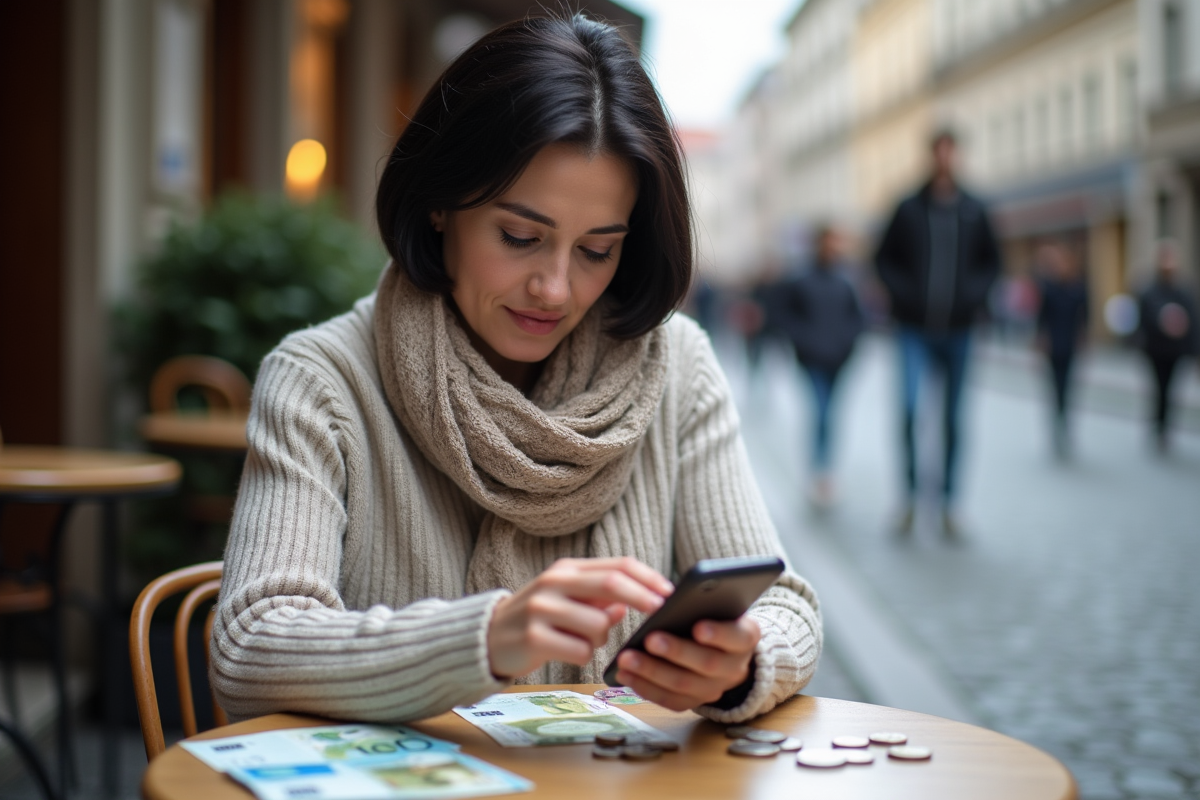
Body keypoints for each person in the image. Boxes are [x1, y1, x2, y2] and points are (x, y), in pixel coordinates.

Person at [210, 14, 821, 726]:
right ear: (442, 206)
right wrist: (483, 639)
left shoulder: (677, 366)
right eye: (521, 237)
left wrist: (741, 660)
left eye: (597, 250)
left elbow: (785, 608)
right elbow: (250, 647)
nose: (555, 288)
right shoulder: (322, 380)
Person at [874, 129, 1001, 537]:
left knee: (953, 418)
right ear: (931, 155)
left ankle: (949, 503)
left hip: (959, 330)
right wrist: (904, 294)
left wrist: (972, 295)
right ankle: (910, 498)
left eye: (951, 150)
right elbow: (882, 259)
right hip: (913, 329)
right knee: (910, 411)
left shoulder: (975, 208)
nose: (945, 157)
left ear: (957, 155)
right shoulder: (909, 207)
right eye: (939, 150)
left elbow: (992, 263)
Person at [773, 225, 864, 508]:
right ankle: (819, 471)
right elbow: (785, 317)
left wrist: (848, 344)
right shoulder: (800, 280)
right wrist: (804, 342)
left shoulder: (846, 280)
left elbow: (858, 318)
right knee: (821, 412)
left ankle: (825, 470)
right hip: (812, 359)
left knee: (831, 414)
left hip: (838, 360)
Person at [1136, 239, 1200, 453]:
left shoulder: (1183, 291)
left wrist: (1194, 353)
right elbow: (1143, 320)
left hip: (1175, 351)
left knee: (1170, 390)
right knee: (1159, 389)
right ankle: (1158, 424)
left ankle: (1165, 428)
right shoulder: (1148, 290)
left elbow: (1192, 323)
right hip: (1155, 350)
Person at [1034, 241, 1089, 458]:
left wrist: (1084, 339)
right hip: (1053, 346)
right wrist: (1040, 339)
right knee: (1054, 388)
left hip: (1070, 345)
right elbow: (1042, 317)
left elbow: (1085, 315)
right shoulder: (1048, 287)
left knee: (1068, 388)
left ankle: (1065, 425)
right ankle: (1056, 425)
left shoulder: (1078, 287)